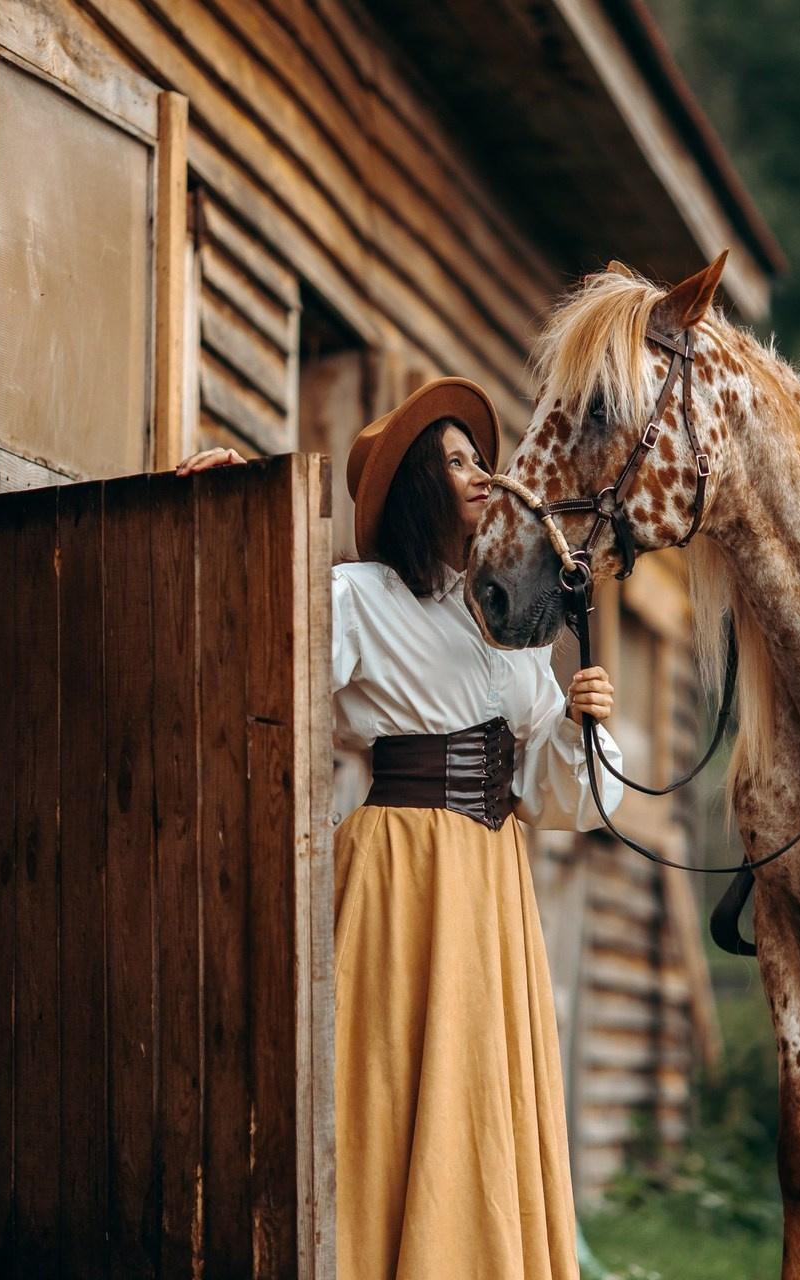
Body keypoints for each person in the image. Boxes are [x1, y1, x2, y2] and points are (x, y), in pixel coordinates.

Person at [179, 377, 623, 1279]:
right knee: (387, 1084)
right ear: (419, 482)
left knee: (480, 1091)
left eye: (479, 458)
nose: (481, 474)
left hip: (495, 883)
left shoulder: (514, 630)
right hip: (402, 873)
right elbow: (257, 638)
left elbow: (548, 800)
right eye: (455, 460)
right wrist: (222, 512)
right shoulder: (356, 598)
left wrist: (580, 727)